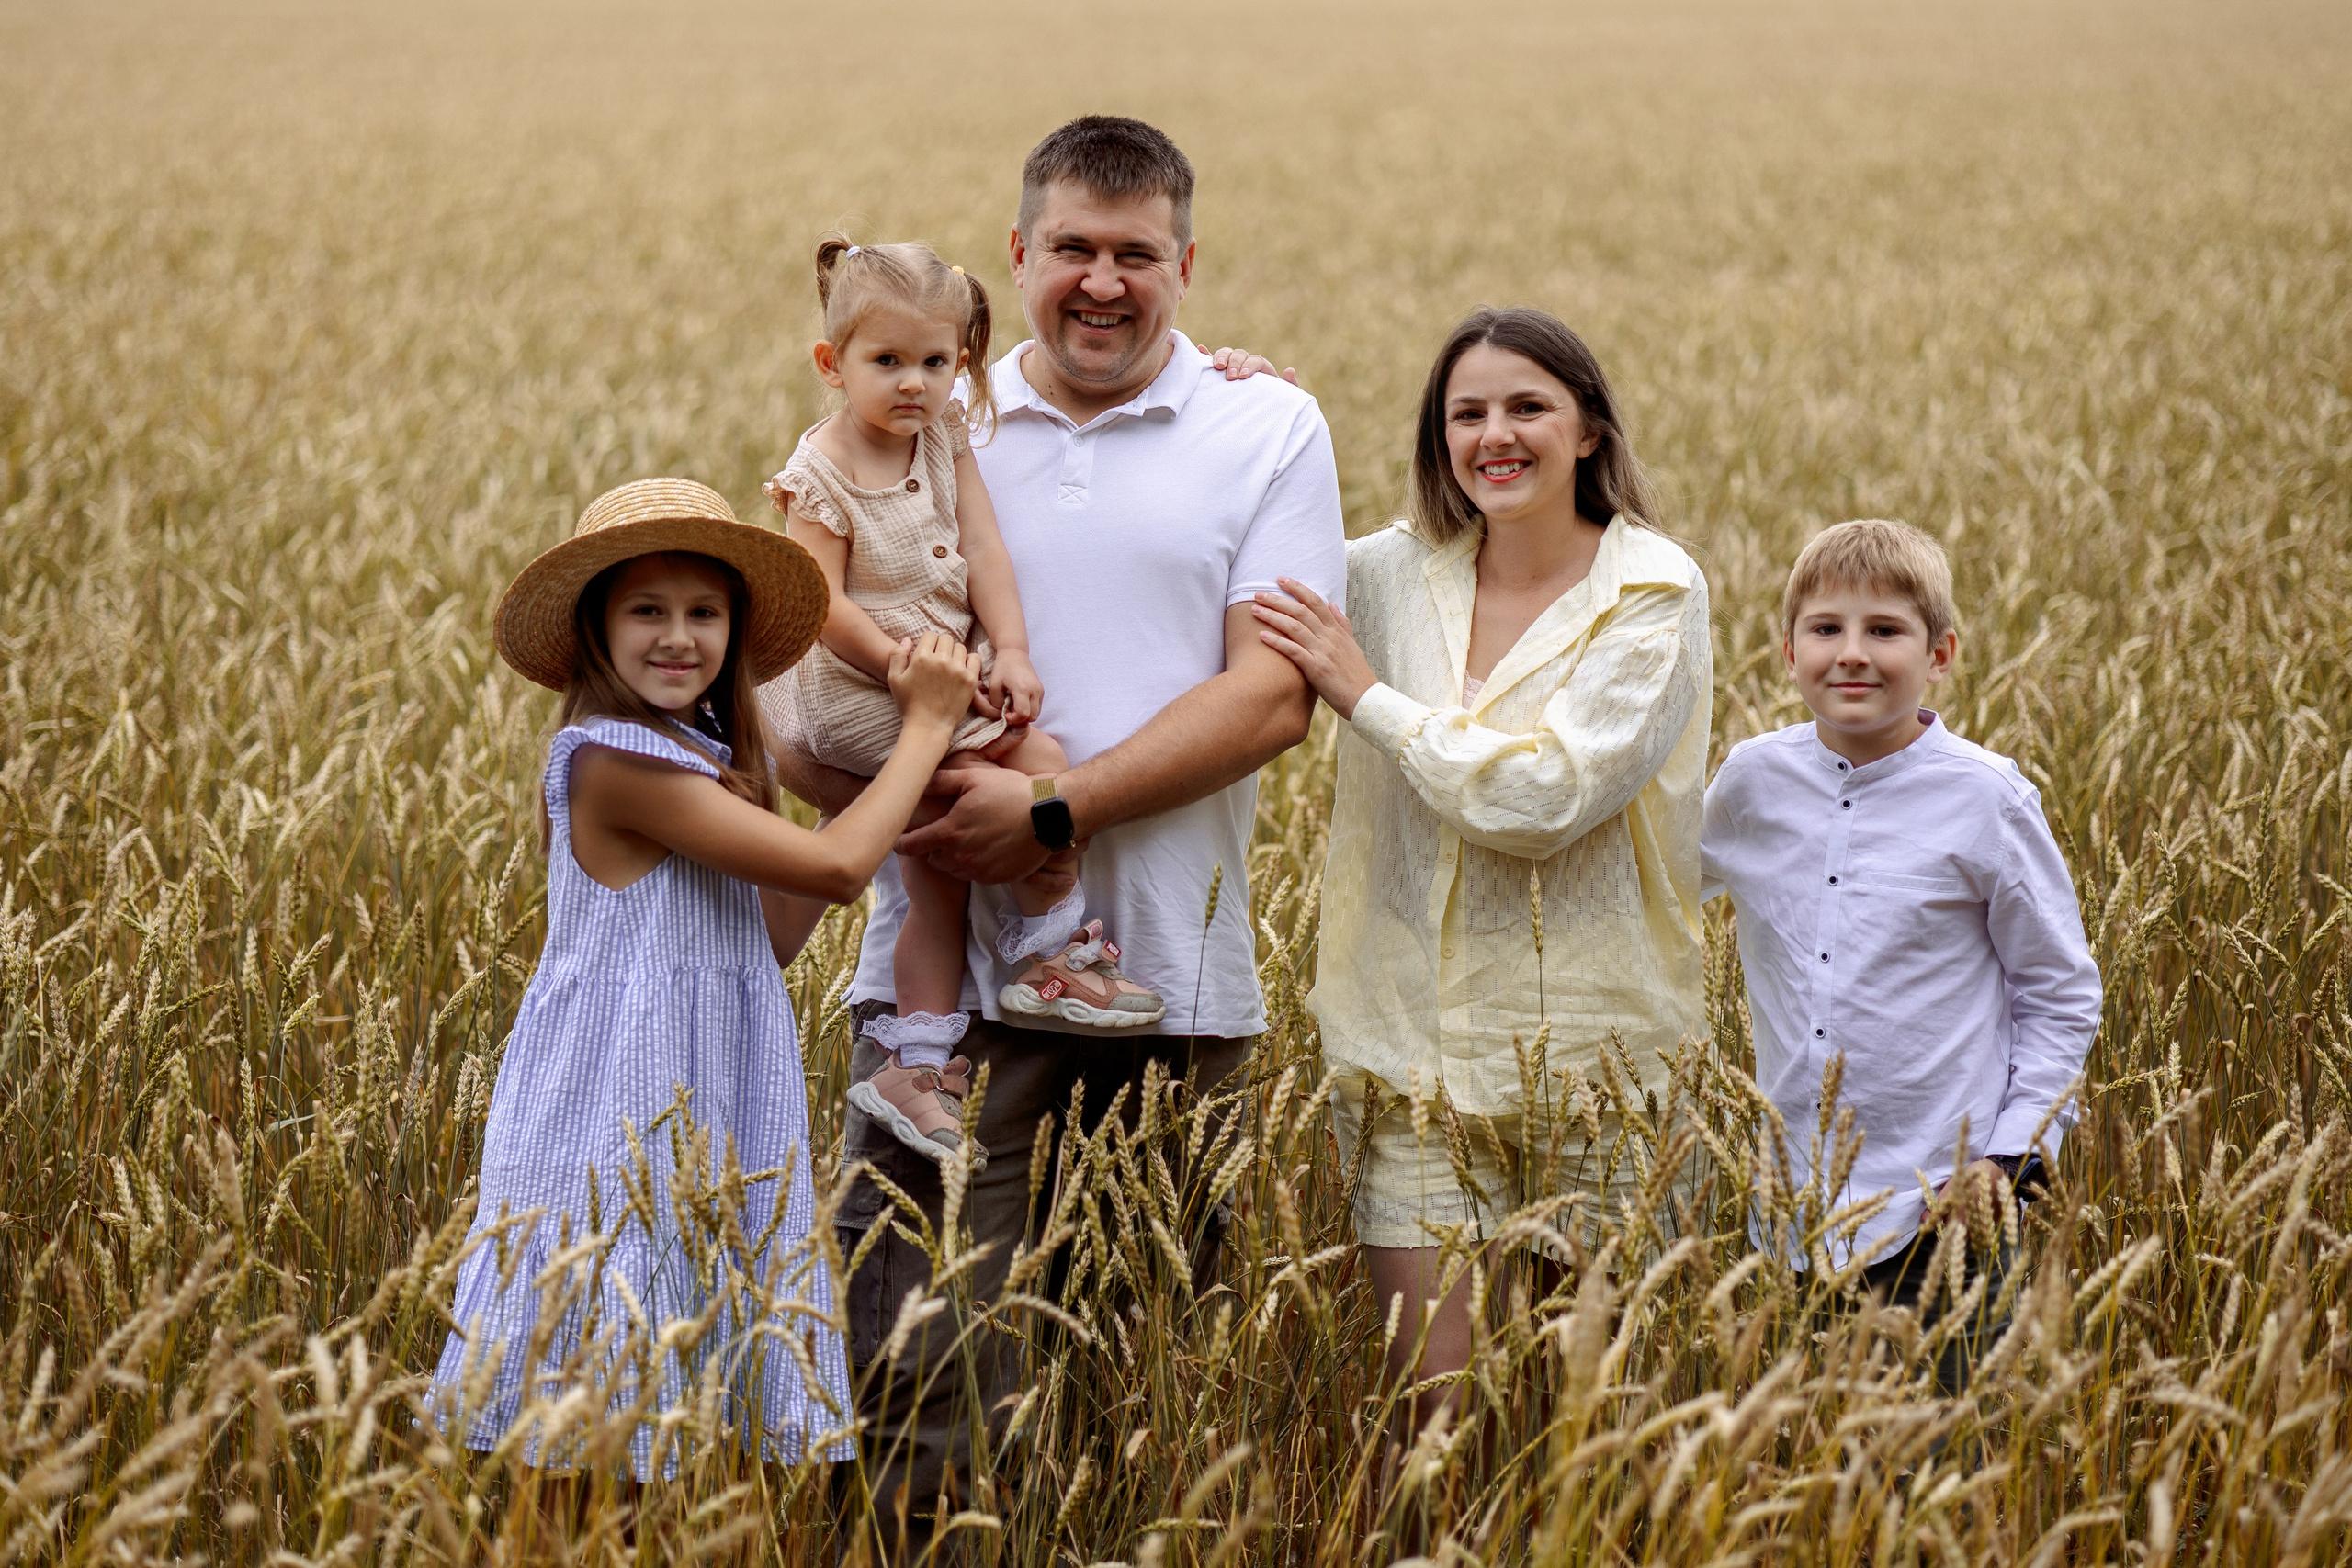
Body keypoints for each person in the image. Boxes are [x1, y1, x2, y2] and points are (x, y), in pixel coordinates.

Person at [772, 116, 1345, 1532]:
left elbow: (1275, 698)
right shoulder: (921, 414)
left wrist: (1049, 805)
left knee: (1134, 1412)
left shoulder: (1264, 421)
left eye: (1136, 254)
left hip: (1169, 987)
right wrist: (899, 801)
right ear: (1013, 260)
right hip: (937, 1010)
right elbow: (791, 658)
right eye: (1073, 249)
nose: (1103, 279)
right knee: (914, 1400)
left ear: (1188, 265)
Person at [429, 477, 984, 1481]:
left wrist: (849, 801)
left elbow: (766, 933)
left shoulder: (708, 763)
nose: (677, 636)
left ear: (732, 631)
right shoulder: (610, 761)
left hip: (704, 1104)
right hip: (612, 1123)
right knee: (590, 1438)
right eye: (646, 610)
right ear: (597, 631)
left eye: (703, 613)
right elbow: (840, 873)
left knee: (665, 1431)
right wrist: (925, 728)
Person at [1251, 307, 1712, 1429]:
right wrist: (1242, 407)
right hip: (1414, 1055)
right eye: (1467, 413)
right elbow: (1233, 552)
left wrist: (1368, 698)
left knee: (1587, 1424)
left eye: (1526, 408)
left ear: (1590, 430)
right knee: (1432, 1417)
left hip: (1602, 1068)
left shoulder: (1652, 591)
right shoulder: (1386, 576)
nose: (1493, 435)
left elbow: (1544, 799)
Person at [762, 234, 1165, 1177]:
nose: (915, 383)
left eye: (936, 363)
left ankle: (920, 1062)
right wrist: (911, 670)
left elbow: (984, 552)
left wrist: (1010, 651)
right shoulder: (818, 474)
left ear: (961, 365)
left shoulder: (942, 437)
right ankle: (1045, 952)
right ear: (832, 365)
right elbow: (817, 602)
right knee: (1020, 774)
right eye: (888, 362)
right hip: (857, 688)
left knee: (945, 861)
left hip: (940, 671)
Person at [1698, 517, 2101, 1392]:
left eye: (1885, 630)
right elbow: (1650, 898)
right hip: (1790, 1208)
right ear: (1787, 648)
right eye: (1826, 629)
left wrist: (2013, 1157)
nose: (1853, 654)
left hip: (1943, 1210)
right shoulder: (1750, 781)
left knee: (1935, 1465)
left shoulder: (1987, 799)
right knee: (1809, 1467)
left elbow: (2059, 990)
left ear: (1941, 653)